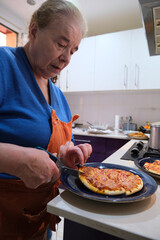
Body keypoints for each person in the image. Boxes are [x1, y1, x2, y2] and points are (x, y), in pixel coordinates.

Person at [0, 0, 92, 239]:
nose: (66, 59)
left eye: (72, 50)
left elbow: (51, 149)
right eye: (61, 44)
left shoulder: (59, 96)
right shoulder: (3, 65)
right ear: (33, 31)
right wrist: (15, 161)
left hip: (38, 223)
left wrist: (66, 157)